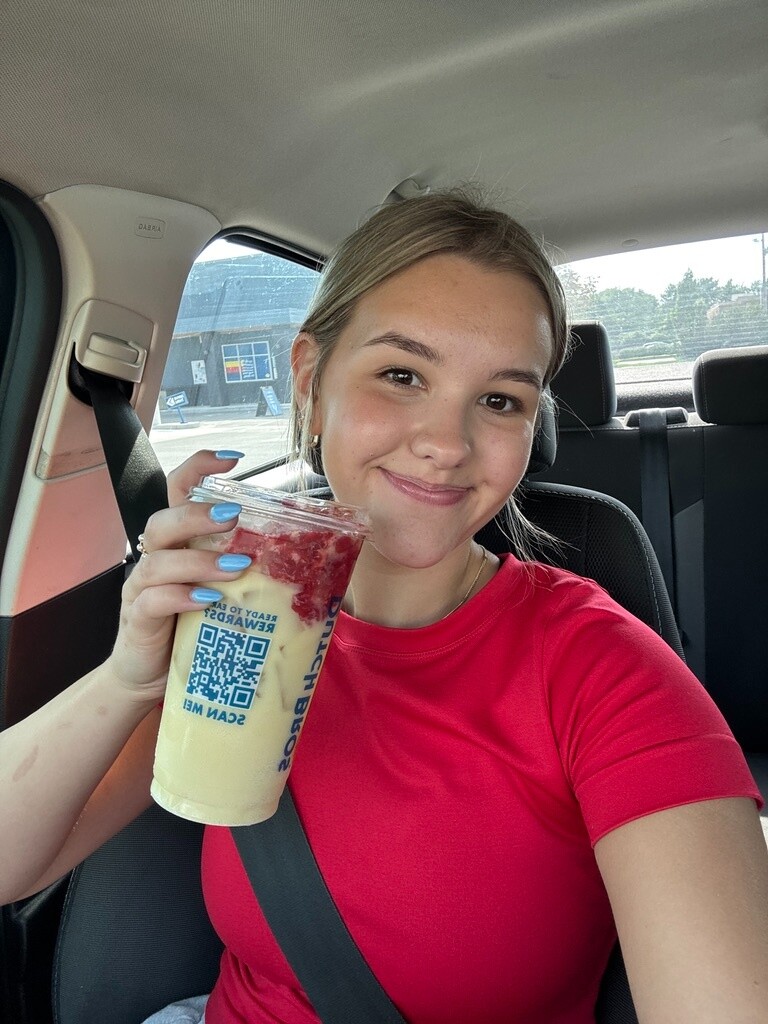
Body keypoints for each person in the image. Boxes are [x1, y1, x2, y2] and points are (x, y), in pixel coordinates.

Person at [1, 189, 767, 1024]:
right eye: (402, 375)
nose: (446, 444)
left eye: (500, 399)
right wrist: (130, 678)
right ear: (309, 377)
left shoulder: (602, 669)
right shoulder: (238, 607)